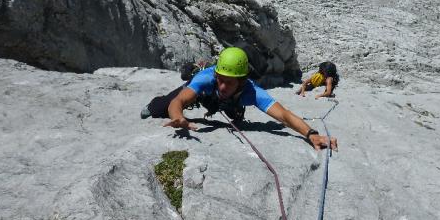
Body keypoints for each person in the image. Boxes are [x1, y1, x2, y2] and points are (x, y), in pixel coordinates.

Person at [142, 47, 337, 151]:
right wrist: (177, 116)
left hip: (232, 101)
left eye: (230, 82)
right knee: (161, 107)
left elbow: (284, 116)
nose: (223, 86)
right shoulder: (208, 78)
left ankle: (233, 107)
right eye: (221, 80)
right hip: (204, 94)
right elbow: (179, 102)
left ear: (243, 81)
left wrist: (311, 133)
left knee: (235, 115)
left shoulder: (252, 91)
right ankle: (189, 74)